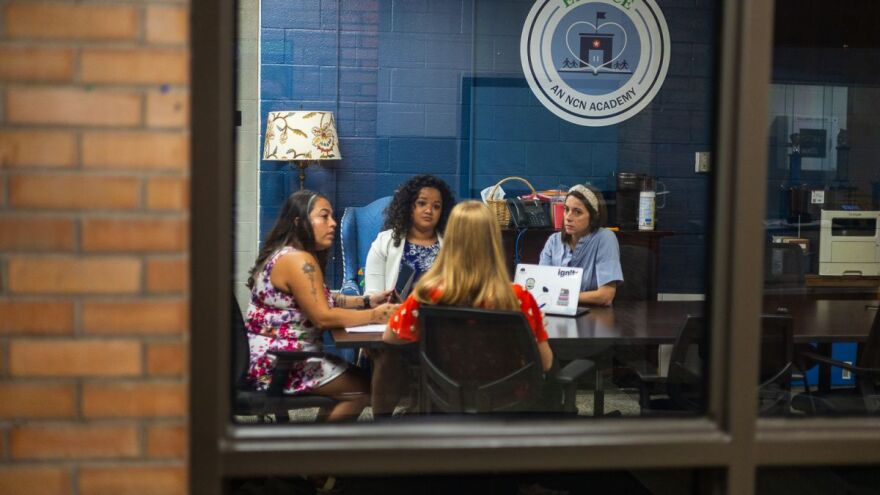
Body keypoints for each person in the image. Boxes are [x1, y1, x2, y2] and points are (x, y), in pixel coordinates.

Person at [245, 190, 398, 422]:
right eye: (324, 216)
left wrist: (366, 301)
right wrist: (375, 315)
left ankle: (314, 440)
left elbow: (323, 298)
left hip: (270, 358)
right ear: (299, 222)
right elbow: (322, 317)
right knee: (362, 390)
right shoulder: (299, 261)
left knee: (359, 379)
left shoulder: (288, 255)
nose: (333, 223)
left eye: (332, 217)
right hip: (280, 363)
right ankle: (316, 451)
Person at [383, 200, 554, 372]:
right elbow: (545, 364)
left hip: (445, 396)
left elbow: (390, 336)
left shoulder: (427, 294)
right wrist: (537, 327)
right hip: (507, 396)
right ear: (494, 241)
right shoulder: (518, 297)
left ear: (450, 240)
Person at [364, 174, 455, 295]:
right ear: (408, 206)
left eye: (436, 206)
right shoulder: (384, 242)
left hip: (439, 313)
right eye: (422, 203)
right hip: (393, 312)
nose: (429, 210)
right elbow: (372, 295)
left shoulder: (452, 244)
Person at [539, 184, 623, 306]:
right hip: (556, 311)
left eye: (577, 212)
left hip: (594, 315)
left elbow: (606, 296)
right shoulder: (553, 241)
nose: (568, 217)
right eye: (566, 209)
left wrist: (563, 297)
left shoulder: (605, 238)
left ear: (594, 216)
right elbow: (540, 286)